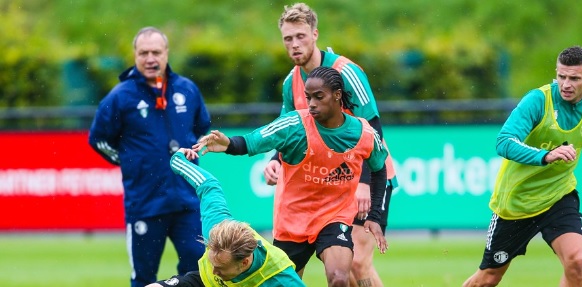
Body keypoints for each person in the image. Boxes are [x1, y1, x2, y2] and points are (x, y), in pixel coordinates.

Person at [194, 66, 388, 287]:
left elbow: (379, 168)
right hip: (294, 220)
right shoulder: (294, 124)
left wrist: (374, 216)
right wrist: (228, 144)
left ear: (337, 95)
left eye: (318, 97)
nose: (311, 103)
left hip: (335, 216)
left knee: (339, 278)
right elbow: (254, 141)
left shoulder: (363, 133)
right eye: (308, 97)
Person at [263, 4, 398, 286]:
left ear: (315, 34)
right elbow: (287, 131)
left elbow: (372, 129)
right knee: (343, 270)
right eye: (288, 39)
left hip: (369, 176)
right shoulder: (291, 82)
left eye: (300, 36)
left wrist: (364, 182)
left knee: (358, 262)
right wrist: (275, 159)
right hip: (334, 186)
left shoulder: (346, 72)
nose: (294, 44)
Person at [463, 46, 582, 287]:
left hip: (558, 197)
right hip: (516, 204)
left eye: (574, 78)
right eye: (561, 76)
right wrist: (546, 155)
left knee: (576, 262)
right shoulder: (538, 100)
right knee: (488, 278)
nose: (566, 84)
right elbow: (504, 142)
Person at [88, 26, 211, 287]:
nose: (150, 58)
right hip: (145, 203)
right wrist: (131, 162)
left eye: (156, 51)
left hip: (187, 201)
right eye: (144, 53)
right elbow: (98, 139)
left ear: (166, 53)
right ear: (135, 55)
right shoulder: (120, 97)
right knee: (143, 278)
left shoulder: (187, 90)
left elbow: (202, 128)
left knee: (199, 270)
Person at [146, 148, 306, 287]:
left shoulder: (280, 276)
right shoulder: (216, 228)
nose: (214, 271)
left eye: (220, 267)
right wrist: (178, 161)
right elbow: (209, 186)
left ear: (244, 262)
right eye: (213, 263)